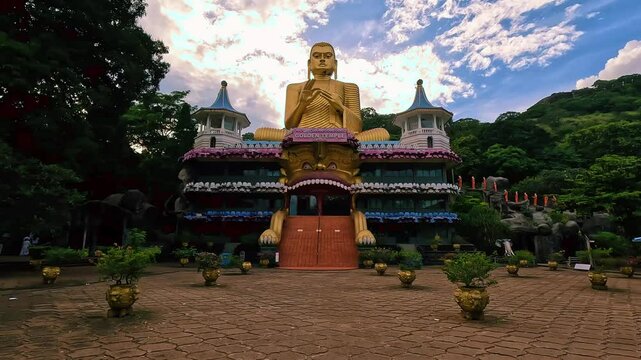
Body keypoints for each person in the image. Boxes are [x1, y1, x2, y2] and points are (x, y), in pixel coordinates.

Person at [255, 42, 389, 142]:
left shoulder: (349, 87)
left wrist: (340, 107)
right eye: (317, 56)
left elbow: (357, 127)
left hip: (338, 134)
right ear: (309, 63)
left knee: (382, 133)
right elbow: (290, 125)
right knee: (260, 133)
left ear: (335, 64)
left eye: (328, 56)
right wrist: (302, 104)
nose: (322, 59)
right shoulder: (295, 87)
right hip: (301, 134)